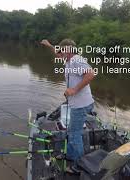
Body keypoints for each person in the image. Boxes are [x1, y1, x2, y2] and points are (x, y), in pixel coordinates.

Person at [40, 38, 95, 174]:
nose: (60, 53)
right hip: (77, 103)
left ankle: (78, 166)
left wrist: (74, 90)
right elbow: (57, 53)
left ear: (69, 50)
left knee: (75, 134)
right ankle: (70, 155)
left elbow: (91, 74)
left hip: (81, 105)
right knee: (71, 131)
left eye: (62, 50)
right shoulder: (69, 59)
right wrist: (48, 45)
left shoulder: (77, 60)